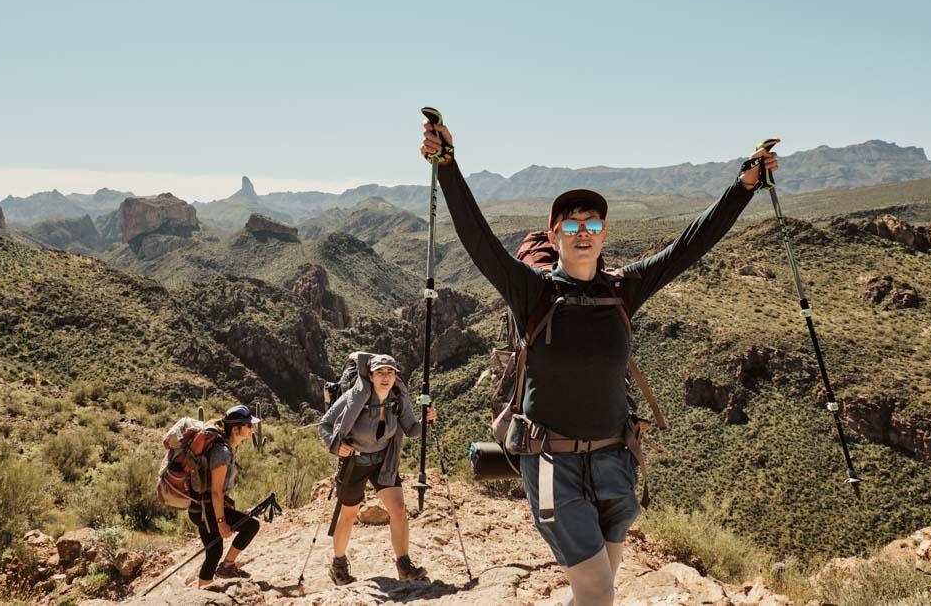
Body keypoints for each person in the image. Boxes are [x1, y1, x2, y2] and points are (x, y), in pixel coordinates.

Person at [421, 120, 777, 605]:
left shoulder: (623, 289)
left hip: (615, 459)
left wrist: (744, 187)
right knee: (598, 591)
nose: (582, 233)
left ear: (604, 233)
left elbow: (690, 245)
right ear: (556, 233)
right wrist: (448, 166)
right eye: (571, 225)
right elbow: (478, 239)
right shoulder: (533, 291)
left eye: (591, 225)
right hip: (551, 462)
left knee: (599, 581)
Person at [318, 352, 437, 585]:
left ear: (395, 376)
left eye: (390, 372)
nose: (385, 377)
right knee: (349, 515)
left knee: (399, 510)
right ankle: (339, 564)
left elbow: (411, 430)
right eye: (380, 372)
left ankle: (404, 565)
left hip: (384, 461)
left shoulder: (397, 398)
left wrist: (426, 421)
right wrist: (335, 445)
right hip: (355, 462)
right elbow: (325, 424)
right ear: (370, 376)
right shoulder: (354, 397)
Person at [189, 404, 262, 588]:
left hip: (201, 508)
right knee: (251, 526)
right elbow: (216, 491)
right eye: (248, 425)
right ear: (236, 429)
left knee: (213, 553)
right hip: (207, 510)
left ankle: (202, 591)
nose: (251, 428)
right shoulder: (222, 452)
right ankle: (227, 566)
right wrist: (222, 523)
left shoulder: (228, 448)